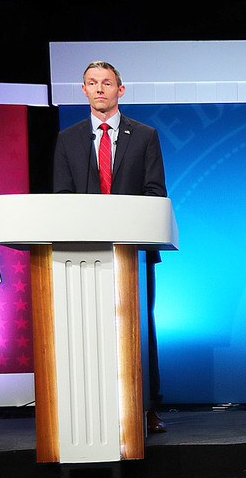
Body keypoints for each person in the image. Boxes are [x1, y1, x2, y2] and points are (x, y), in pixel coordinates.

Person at [52, 60, 169, 433]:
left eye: (106, 83)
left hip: (131, 253)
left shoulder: (145, 135)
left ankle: (147, 406)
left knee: (139, 328)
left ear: (121, 90)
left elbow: (155, 192)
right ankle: (87, 408)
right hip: (81, 256)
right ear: (83, 90)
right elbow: (61, 196)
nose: (99, 88)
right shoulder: (68, 139)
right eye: (92, 83)